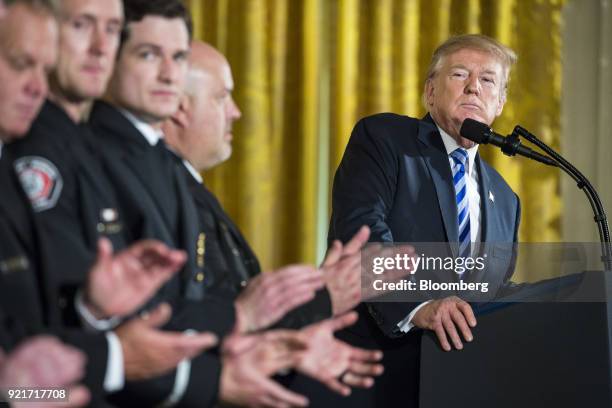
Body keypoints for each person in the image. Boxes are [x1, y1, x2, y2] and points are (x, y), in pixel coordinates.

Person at [0, 0, 217, 405]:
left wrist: (93, 311)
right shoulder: (375, 138)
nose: (235, 112)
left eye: (112, 29)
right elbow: (17, 381)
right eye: (222, 98)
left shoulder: (162, 167)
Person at [327, 34, 522, 406]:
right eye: (459, 74)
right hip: (375, 374)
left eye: (487, 81)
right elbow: (363, 232)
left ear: (499, 103)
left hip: (459, 386)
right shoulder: (385, 139)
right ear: (430, 92)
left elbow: (495, 291)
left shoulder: (506, 201)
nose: (472, 88)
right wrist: (419, 305)